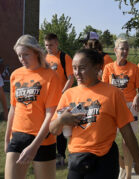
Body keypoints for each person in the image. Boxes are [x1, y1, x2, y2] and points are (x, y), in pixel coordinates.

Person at [49, 48, 139, 179]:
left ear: (97, 68)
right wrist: (61, 120)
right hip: (77, 160)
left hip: (104, 160)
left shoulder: (113, 94)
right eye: (74, 68)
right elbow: (53, 130)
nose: (77, 73)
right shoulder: (68, 95)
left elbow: (127, 131)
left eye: (82, 68)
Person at [4, 34, 61, 179]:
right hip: (17, 136)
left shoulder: (50, 76)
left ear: (36, 52)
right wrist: (6, 139)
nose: (22, 59)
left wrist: (34, 146)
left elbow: (50, 114)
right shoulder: (15, 75)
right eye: (19, 56)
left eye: (26, 55)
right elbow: (13, 108)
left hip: (43, 139)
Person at [102, 38, 139, 179]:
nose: (125, 51)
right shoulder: (108, 68)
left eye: (127, 48)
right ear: (115, 50)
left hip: (129, 107)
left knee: (127, 142)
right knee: (108, 141)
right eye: (122, 48)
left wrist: (138, 97)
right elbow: (103, 88)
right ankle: (122, 166)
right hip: (112, 106)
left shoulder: (134, 68)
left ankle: (128, 176)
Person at [44, 32, 74, 167]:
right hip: (46, 99)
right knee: (47, 126)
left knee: (60, 128)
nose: (48, 47)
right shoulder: (43, 58)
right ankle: (47, 154)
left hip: (61, 99)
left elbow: (71, 78)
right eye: (46, 45)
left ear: (57, 43)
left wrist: (62, 93)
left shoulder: (64, 57)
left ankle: (61, 156)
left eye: (51, 45)